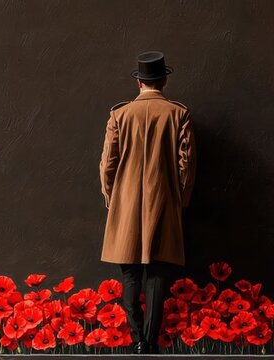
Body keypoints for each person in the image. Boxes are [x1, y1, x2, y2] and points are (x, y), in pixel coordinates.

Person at [98, 50, 197, 354]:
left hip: (125, 205)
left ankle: (136, 336)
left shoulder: (120, 114)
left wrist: (111, 200)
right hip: (163, 203)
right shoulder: (178, 114)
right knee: (156, 274)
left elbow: (107, 165)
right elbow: (187, 165)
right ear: (163, 80)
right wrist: (179, 201)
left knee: (129, 274)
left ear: (139, 82)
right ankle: (149, 343)